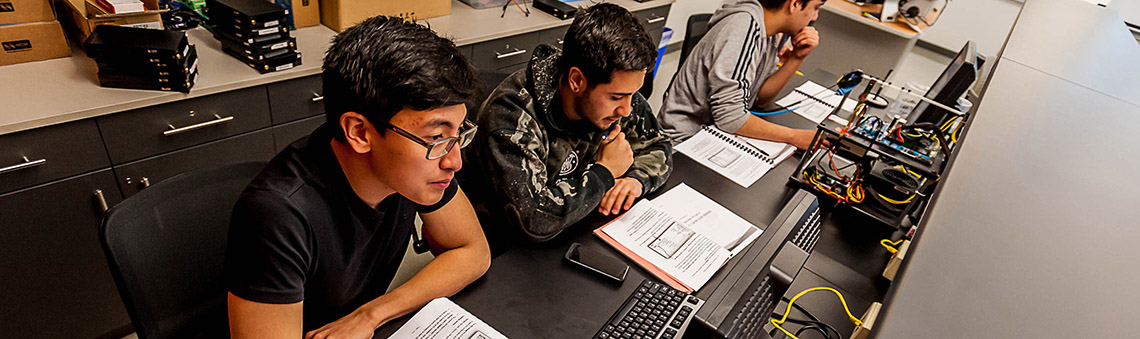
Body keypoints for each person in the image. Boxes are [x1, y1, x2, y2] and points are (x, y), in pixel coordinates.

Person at [224, 16, 491, 338]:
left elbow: (472, 252)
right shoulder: (277, 214)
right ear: (360, 132)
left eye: (459, 132)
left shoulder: (413, 170)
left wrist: (370, 314)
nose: (454, 160)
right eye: (436, 136)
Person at [464, 3, 673, 246]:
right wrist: (604, 172)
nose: (627, 109)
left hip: (575, 225)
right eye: (616, 97)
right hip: (502, 245)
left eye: (632, 94)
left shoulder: (617, 90)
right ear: (576, 81)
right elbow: (535, 220)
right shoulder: (511, 115)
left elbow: (659, 145)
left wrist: (636, 181)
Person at [659, 0, 825, 149]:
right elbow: (730, 118)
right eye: (815, 8)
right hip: (682, 142)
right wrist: (794, 136)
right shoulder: (743, 26)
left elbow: (761, 99)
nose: (814, 17)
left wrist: (797, 57)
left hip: (715, 134)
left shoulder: (769, 32)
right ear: (794, 4)